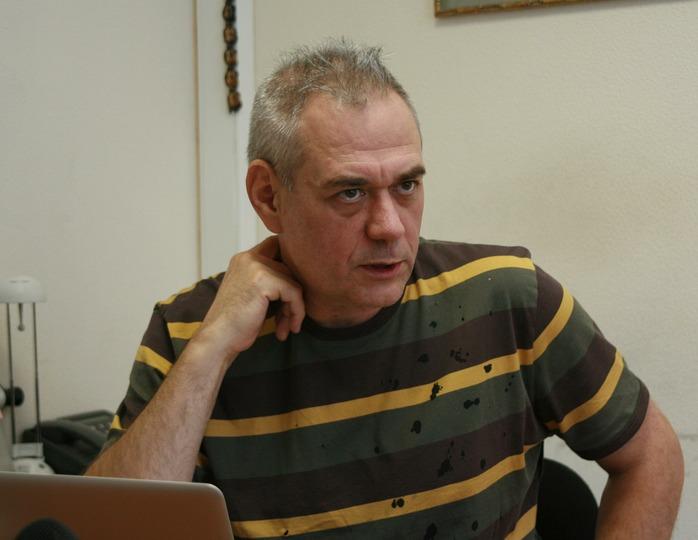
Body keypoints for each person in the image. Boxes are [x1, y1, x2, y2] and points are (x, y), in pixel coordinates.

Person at [86, 40, 684, 539]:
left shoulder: (506, 297)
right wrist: (211, 351)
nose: (390, 227)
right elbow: (110, 530)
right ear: (269, 197)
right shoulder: (190, 330)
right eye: (349, 193)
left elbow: (652, 454)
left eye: (406, 186)